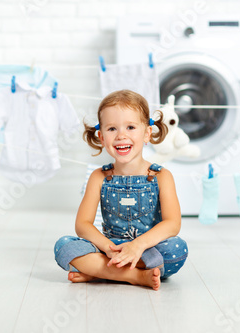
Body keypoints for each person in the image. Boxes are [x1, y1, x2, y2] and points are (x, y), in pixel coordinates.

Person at [54, 90, 188, 290]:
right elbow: (83, 225)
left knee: (176, 249)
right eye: (112, 129)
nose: (121, 135)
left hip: (147, 249)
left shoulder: (162, 176)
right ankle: (135, 276)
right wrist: (109, 250)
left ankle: (100, 272)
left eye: (131, 127)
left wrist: (137, 246)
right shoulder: (99, 177)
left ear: (147, 133)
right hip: (108, 250)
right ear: (101, 136)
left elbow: (172, 224)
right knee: (63, 245)